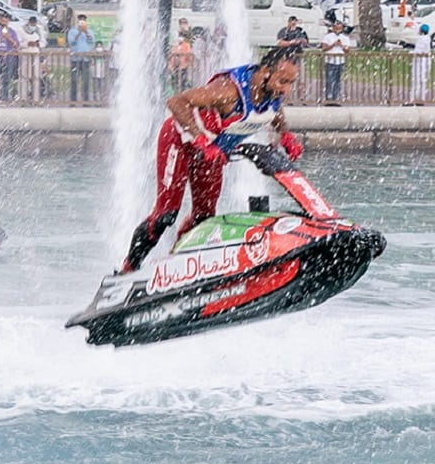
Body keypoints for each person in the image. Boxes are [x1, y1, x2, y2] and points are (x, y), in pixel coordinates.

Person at [119, 48, 304, 274]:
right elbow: (176, 102)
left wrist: (285, 134)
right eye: (283, 81)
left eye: (290, 82)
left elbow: (274, 110)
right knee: (165, 216)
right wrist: (199, 139)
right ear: (265, 72)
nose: (286, 89)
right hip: (180, 140)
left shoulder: (272, 91)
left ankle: (176, 265)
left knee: (203, 218)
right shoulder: (228, 92)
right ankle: (127, 270)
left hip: (211, 152)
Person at [319, 19, 352, 104]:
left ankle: (336, 98)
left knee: (337, 81)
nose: (338, 30)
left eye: (340, 28)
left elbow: (347, 50)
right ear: (333, 28)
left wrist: (341, 45)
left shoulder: (345, 38)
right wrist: (333, 45)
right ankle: (329, 99)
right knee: (329, 80)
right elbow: (324, 48)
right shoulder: (328, 37)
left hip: (340, 62)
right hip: (330, 61)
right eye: (336, 28)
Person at [67, 15, 97, 102]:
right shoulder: (72, 31)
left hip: (86, 59)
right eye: (80, 19)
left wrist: (86, 32)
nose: (82, 21)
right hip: (75, 59)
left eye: (84, 19)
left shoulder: (89, 31)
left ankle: (85, 100)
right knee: (74, 80)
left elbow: (91, 41)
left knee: (86, 81)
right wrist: (79, 32)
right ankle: (73, 100)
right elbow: (71, 42)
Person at [407, 22, 432, 105]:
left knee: (416, 80)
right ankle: (422, 98)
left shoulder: (421, 39)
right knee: (423, 80)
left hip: (419, 61)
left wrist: (411, 53)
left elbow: (418, 51)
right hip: (425, 61)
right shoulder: (427, 38)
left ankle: (413, 99)